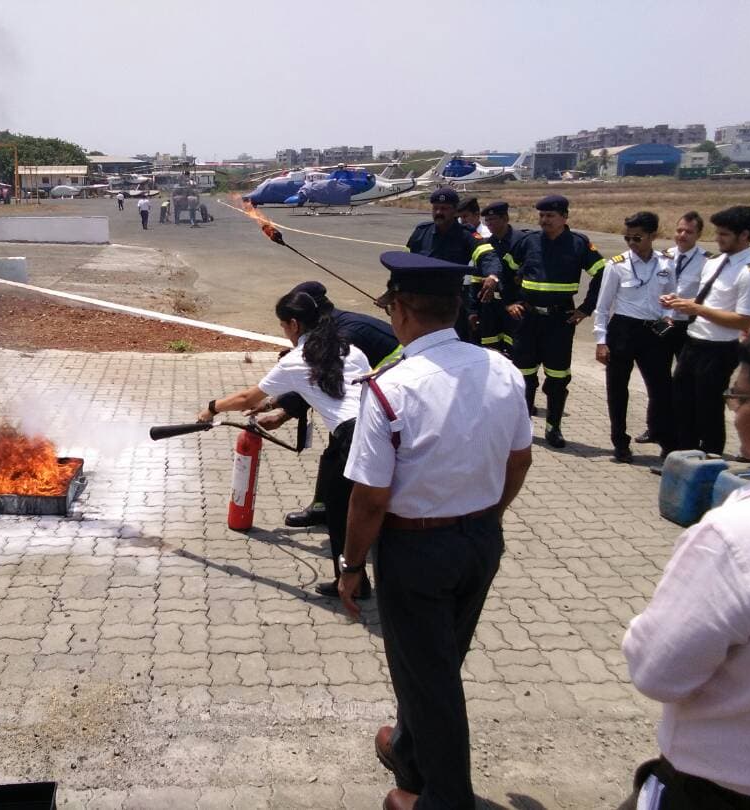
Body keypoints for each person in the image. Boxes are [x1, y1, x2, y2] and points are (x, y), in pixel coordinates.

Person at [339, 252, 532, 810]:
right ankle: (409, 751)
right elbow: (519, 461)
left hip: (416, 549)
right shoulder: (501, 368)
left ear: (398, 311)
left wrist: (351, 567)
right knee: (433, 662)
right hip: (480, 540)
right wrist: (487, 519)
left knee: (434, 679)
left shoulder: (389, 388)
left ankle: (445, 800)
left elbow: (369, 498)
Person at [621, 321, 750, 809]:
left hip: (729, 789)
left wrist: (640, 632)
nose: (733, 411)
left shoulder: (741, 535)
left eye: (740, 396)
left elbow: (658, 671)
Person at [195, 291, 372, 598]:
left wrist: (211, 408)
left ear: (293, 324)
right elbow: (330, 391)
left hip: (351, 437)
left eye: (282, 326)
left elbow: (245, 399)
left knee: (342, 516)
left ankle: (354, 585)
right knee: (371, 507)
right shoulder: (351, 350)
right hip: (378, 431)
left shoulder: (296, 359)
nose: (284, 332)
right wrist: (279, 410)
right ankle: (365, 581)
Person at [262, 281, 400, 530]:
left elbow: (323, 382)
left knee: (357, 459)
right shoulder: (331, 328)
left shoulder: (344, 335)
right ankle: (324, 508)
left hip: (392, 385)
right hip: (370, 389)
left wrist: (283, 412)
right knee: (335, 453)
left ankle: (361, 519)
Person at [501, 194, 606, 448]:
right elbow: (506, 269)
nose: (544, 220)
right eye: (542, 215)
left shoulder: (579, 244)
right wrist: (509, 302)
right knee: (524, 375)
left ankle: (553, 427)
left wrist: (585, 308)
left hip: (560, 321)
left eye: (550, 216)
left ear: (564, 217)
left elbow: (602, 273)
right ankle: (523, 427)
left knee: (558, 378)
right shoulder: (528, 241)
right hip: (527, 318)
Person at [665, 206, 750, 454]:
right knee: (682, 403)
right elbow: (706, 301)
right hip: (693, 342)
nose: (718, 239)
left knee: (708, 409)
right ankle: (684, 457)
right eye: (718, 233)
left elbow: (744, 320)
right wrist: (677, 301)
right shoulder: (714, 263)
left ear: (744, 236)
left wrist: (696, 310)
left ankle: (710, 461)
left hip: (719, 349)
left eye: (724, 235)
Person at [593, 212, 676, 464]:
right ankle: (620, 442)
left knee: (661, 389)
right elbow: (603, 306)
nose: (631, 243)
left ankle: (665, 439)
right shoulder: (616, 264)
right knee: (617, 390)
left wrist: (668, 316)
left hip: (654, 332)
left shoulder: (666, 263)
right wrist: (600, 340)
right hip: (623, 331)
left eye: (637, 237)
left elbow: (672, 296)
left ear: (652, 235)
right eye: (627, 237)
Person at [636, 211, 709, 445]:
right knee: (657, 380)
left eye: (688, 231)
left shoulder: (708, 261)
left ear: (698, 234)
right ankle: (656, 428)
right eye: (679, 230)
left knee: (688, 382)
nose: (682, 235)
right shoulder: (662, 257)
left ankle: (691, 432)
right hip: (662, 325)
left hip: (689, 326)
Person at [405, 188, 503, 343]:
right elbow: (405, 265)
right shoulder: (421, 232)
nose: (438, 212)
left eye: (444, 208)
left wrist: (492, 276)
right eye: (435, 208)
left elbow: (487, 255)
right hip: (421, 303)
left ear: (455, 211)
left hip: (451, 305)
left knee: (456, 345)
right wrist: (393, 291)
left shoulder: (466, 234)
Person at [479, 200, 529, 355]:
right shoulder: (487, 244)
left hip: (515, 306)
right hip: (492, 307)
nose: (489, 224)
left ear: (505, 218)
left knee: (516, 349)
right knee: (491, 349)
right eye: (487, 220)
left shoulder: (522, 241)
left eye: (493, 219)